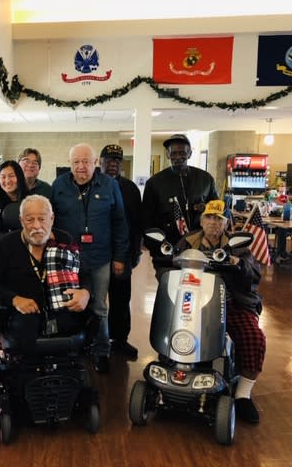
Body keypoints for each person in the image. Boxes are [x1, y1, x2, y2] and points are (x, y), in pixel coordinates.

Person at [171, 200, 266, 423]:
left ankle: (243, 394)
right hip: (192, 302)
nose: (213, 223)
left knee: (253, 337)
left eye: (218, 219)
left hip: (231, 303)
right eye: (209, 217)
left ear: (226, 223)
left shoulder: (237, 246)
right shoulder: (187, 242)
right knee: (171, 328)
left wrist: (238, 263)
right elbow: (167, 265)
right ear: (202, 220)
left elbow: (255, 274)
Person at [50, 143, 128, 373]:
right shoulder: (59, 185)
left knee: (98, 306)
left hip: (100, 257)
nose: (81, 167)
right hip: (68, 259)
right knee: (69, 304)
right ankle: (72, 347)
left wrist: (120, 257)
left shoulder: (110, 185)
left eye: (86, 161)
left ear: (95, 162)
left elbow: (120, 222)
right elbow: (51, 221)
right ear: (70, 163)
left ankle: (101, 351)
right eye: (76, 162)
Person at [0, 195, 91, 351]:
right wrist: (14, 299)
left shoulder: (64, 240)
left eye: (42, 219)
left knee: (86, 325)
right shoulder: (5, 244)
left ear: (51, 218)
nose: (37, 226)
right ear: (21, 220)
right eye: (29, 220)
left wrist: (85, 293)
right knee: (25, 329)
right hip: (22, 315)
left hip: (62, 310)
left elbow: (85, 273)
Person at [142, 134, 218, 260]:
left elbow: (218, 210)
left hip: (201, 244)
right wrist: (154, 245)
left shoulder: (205, 179)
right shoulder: (154, 182)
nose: (178, 157)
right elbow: (147, 219)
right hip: (167, 245)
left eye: (182, 153)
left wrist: (207, 208)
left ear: (189, 154)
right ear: (168, 155)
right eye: (173, 153)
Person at [99, 144, 142, 358]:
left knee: (120, 300)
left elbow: (136, 225)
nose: (113, 165)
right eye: (109, 160)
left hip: (122, 255)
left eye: (117, 161)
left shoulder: (130, 189)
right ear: (100, 162)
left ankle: (119, 340)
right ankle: (94, 340)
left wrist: (135, 254)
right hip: (96, 254)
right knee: (94, 300)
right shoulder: (92, 184)